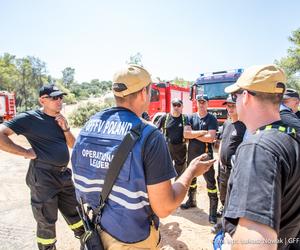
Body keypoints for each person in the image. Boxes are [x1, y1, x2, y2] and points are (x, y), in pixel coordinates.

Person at [71, 64, 215, 249]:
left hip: (97, 233)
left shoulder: (89, 126)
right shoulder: (150, 135)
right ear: (142, 94)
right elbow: (164, 207)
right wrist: (191, 171)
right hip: (132, 238)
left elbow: (80, 180)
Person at [222, 64, 300, 249]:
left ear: (246, 96)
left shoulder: (258, 148)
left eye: (236, 96)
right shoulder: (291, 139)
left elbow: (256, 243)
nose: (235, 101)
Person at [0, 84, 84, 250]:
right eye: (54, 97)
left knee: (77, 214)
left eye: (61, 97)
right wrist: (24, 151)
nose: (59, 100)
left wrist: (66, 129)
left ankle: (87, 242)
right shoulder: (30, 119)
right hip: (43, 177)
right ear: (42, 100)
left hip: (64, 176)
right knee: (46, 221)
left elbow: (74, 144)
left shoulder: (59, 118)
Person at [180, 94, 219, 225]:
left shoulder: (212, 118)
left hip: (206, 156)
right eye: (199, 102)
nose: (201, 104)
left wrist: (193, 134)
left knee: (211, 184)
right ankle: (192, 201)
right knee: (192, 180)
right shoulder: (190, 117)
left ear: (207, 103)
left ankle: (213, 213)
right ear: (196, 103)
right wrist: (202, 132)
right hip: (191, 155)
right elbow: (186, 134)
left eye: (204, 102)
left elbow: (211, 138)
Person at [212, 96, 246, 234]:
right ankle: (226, 220)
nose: (230, 109)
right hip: (222, 168)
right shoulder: (226, 123)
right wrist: (219, 160)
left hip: (235, 170)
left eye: (233, 106)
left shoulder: (244, 126)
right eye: (228, 106)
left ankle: (226, 225)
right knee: (224, 196)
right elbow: (221, 142)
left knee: (233, 199)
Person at [156, 98, 187, 177]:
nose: (176, 107)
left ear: (182, 107)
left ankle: (177, 186)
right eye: (174, 105)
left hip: (181, 149)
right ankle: (165, 187)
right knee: (164, 171)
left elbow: (189, 132)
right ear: (171, 106)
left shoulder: (185, 118)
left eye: (178, 105)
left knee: (180, 173)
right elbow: (155, 130)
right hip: (167, 148)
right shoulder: (165, 118)